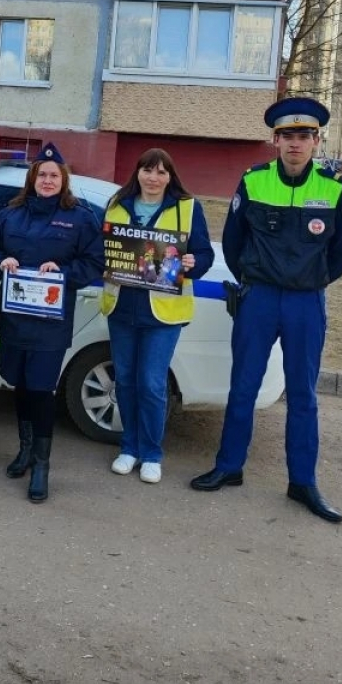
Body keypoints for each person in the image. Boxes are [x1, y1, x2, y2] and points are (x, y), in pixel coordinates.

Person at [190, 97, 342, 523]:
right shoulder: (254, 181)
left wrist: (311, 280)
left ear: (316, 141)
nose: (295, 143)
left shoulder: (333, 187)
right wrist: (253, 278)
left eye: (304, 136)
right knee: (243, 386)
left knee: (303, 395)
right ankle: (229, 466)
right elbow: (233, 241)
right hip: (259, 298)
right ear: (275, 141)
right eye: (287, 136)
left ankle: (302, 482)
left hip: (305, 302)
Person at [0, 142, 105, 504]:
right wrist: (0, 262)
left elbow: (93, 264)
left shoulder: (80, 218)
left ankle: (41, 464)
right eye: (42, 175)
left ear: (63, 179)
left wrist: (63, 272)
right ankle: (24, 450)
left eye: (54, 175)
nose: (48, 180)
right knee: (19, 384)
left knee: (41, 390)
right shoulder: (10, 214)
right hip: (14, 319)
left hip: (50, 324)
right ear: (32, 179)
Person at [102, 149, 214, 484]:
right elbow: (100, 247)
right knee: (125, 381)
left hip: (163, 313)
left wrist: (194, 263)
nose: (153, 178)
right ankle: (129, 448)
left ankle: (151, 454)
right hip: (121, 307)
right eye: (147, 170)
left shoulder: (187, 208)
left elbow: (204, 254)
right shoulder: (116, 204)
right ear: (137, 173)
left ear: (170, 177)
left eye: (161, 172)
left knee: (151, 384)